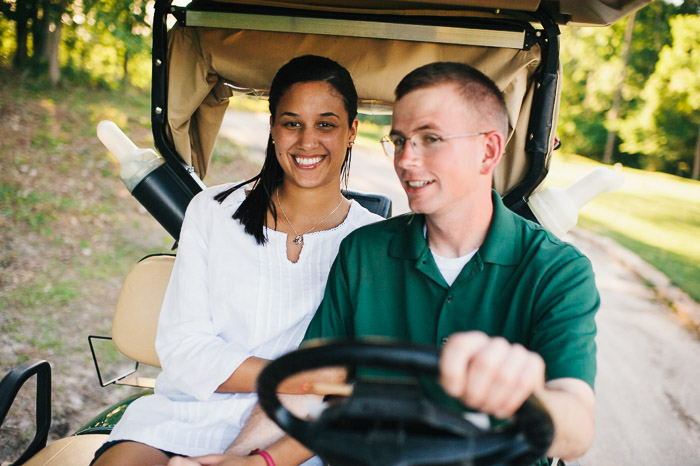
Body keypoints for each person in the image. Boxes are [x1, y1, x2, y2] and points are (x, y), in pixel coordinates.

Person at [172, 62, 599, 466]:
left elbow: (576, 424)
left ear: (488, 150)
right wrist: (247, 457)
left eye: (430, 139)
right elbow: (312, 385)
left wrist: (523, 398)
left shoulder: (557, 272)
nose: (406, 161)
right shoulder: (364, 252)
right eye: (399, 140)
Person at [91, 54, 383, 466]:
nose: (307, 141)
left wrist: (302, 390)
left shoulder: (371, 241)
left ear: (352, 131)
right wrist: (289, 378)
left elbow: (350, 379)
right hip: (188, 410)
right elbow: (185, 348)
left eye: (326, 124)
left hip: (291, 430)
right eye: (291, 122)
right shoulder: (213, 211)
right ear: (272, 128)